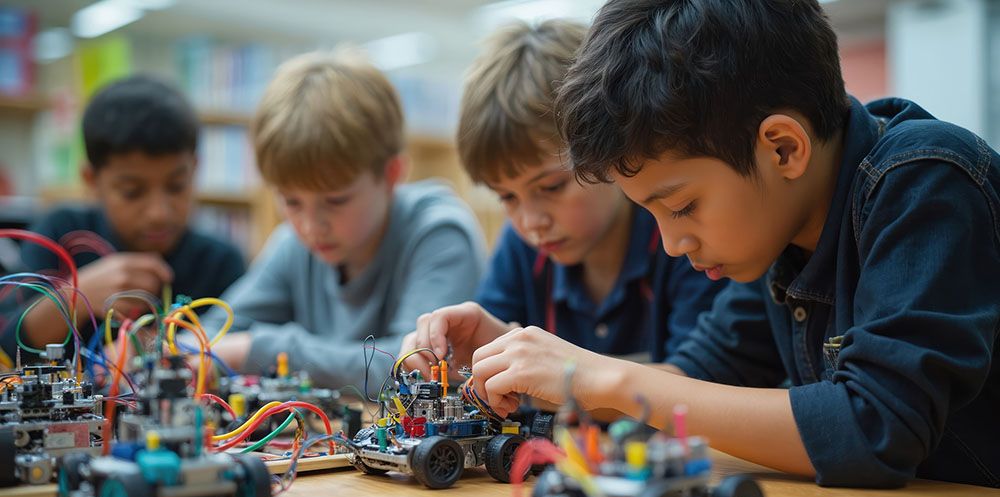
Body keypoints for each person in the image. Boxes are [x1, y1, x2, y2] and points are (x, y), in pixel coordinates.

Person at [462, 0, 1000, 488]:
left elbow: (877, 426)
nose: (671, 243)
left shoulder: (925, 181)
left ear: (784, 149)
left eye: (681, 207)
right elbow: (695, 379)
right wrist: (533, 368)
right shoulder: (781, 233)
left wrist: (601, 377)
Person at [401, 20, 723, 382]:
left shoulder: (681, 234)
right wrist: (455, 360)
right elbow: (482, 367)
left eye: (551, 187)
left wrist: (565, 377)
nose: (531, 221)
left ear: (609, 151)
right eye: (507, 197)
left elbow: (702, 386)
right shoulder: (521, 245)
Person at [199, 50, 486, 388]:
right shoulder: (294, 244)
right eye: (291, 201)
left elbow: (414, 366)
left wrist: (261, 350)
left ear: (392, 174)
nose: (309, 225)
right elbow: (207, 336)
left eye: (335, 201)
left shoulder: (440, 234)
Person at [0, 75, 245, 359]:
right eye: (132, 192)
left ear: (196, 169)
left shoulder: (220, 262)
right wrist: (77, 297)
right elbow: (7, 345)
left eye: (177, 186)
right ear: (91, 180)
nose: (158, 213)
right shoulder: (61, 235)